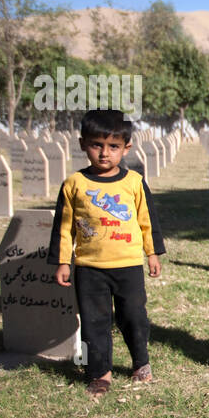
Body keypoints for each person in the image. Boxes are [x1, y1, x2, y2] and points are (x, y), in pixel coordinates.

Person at [49, 109, 165, 398]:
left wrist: (152, 253)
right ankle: (100, 373)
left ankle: (140, 362)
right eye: (96, 145)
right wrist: (63, 261)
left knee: (134, 317)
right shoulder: (74, 184)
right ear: (82, 144)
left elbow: (147, 220)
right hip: (90, 267)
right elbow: (64, 228)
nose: (104, 153)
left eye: (113, 146)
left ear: (126, 147)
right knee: (93, 323)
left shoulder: (134, 182)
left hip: (128, 266)